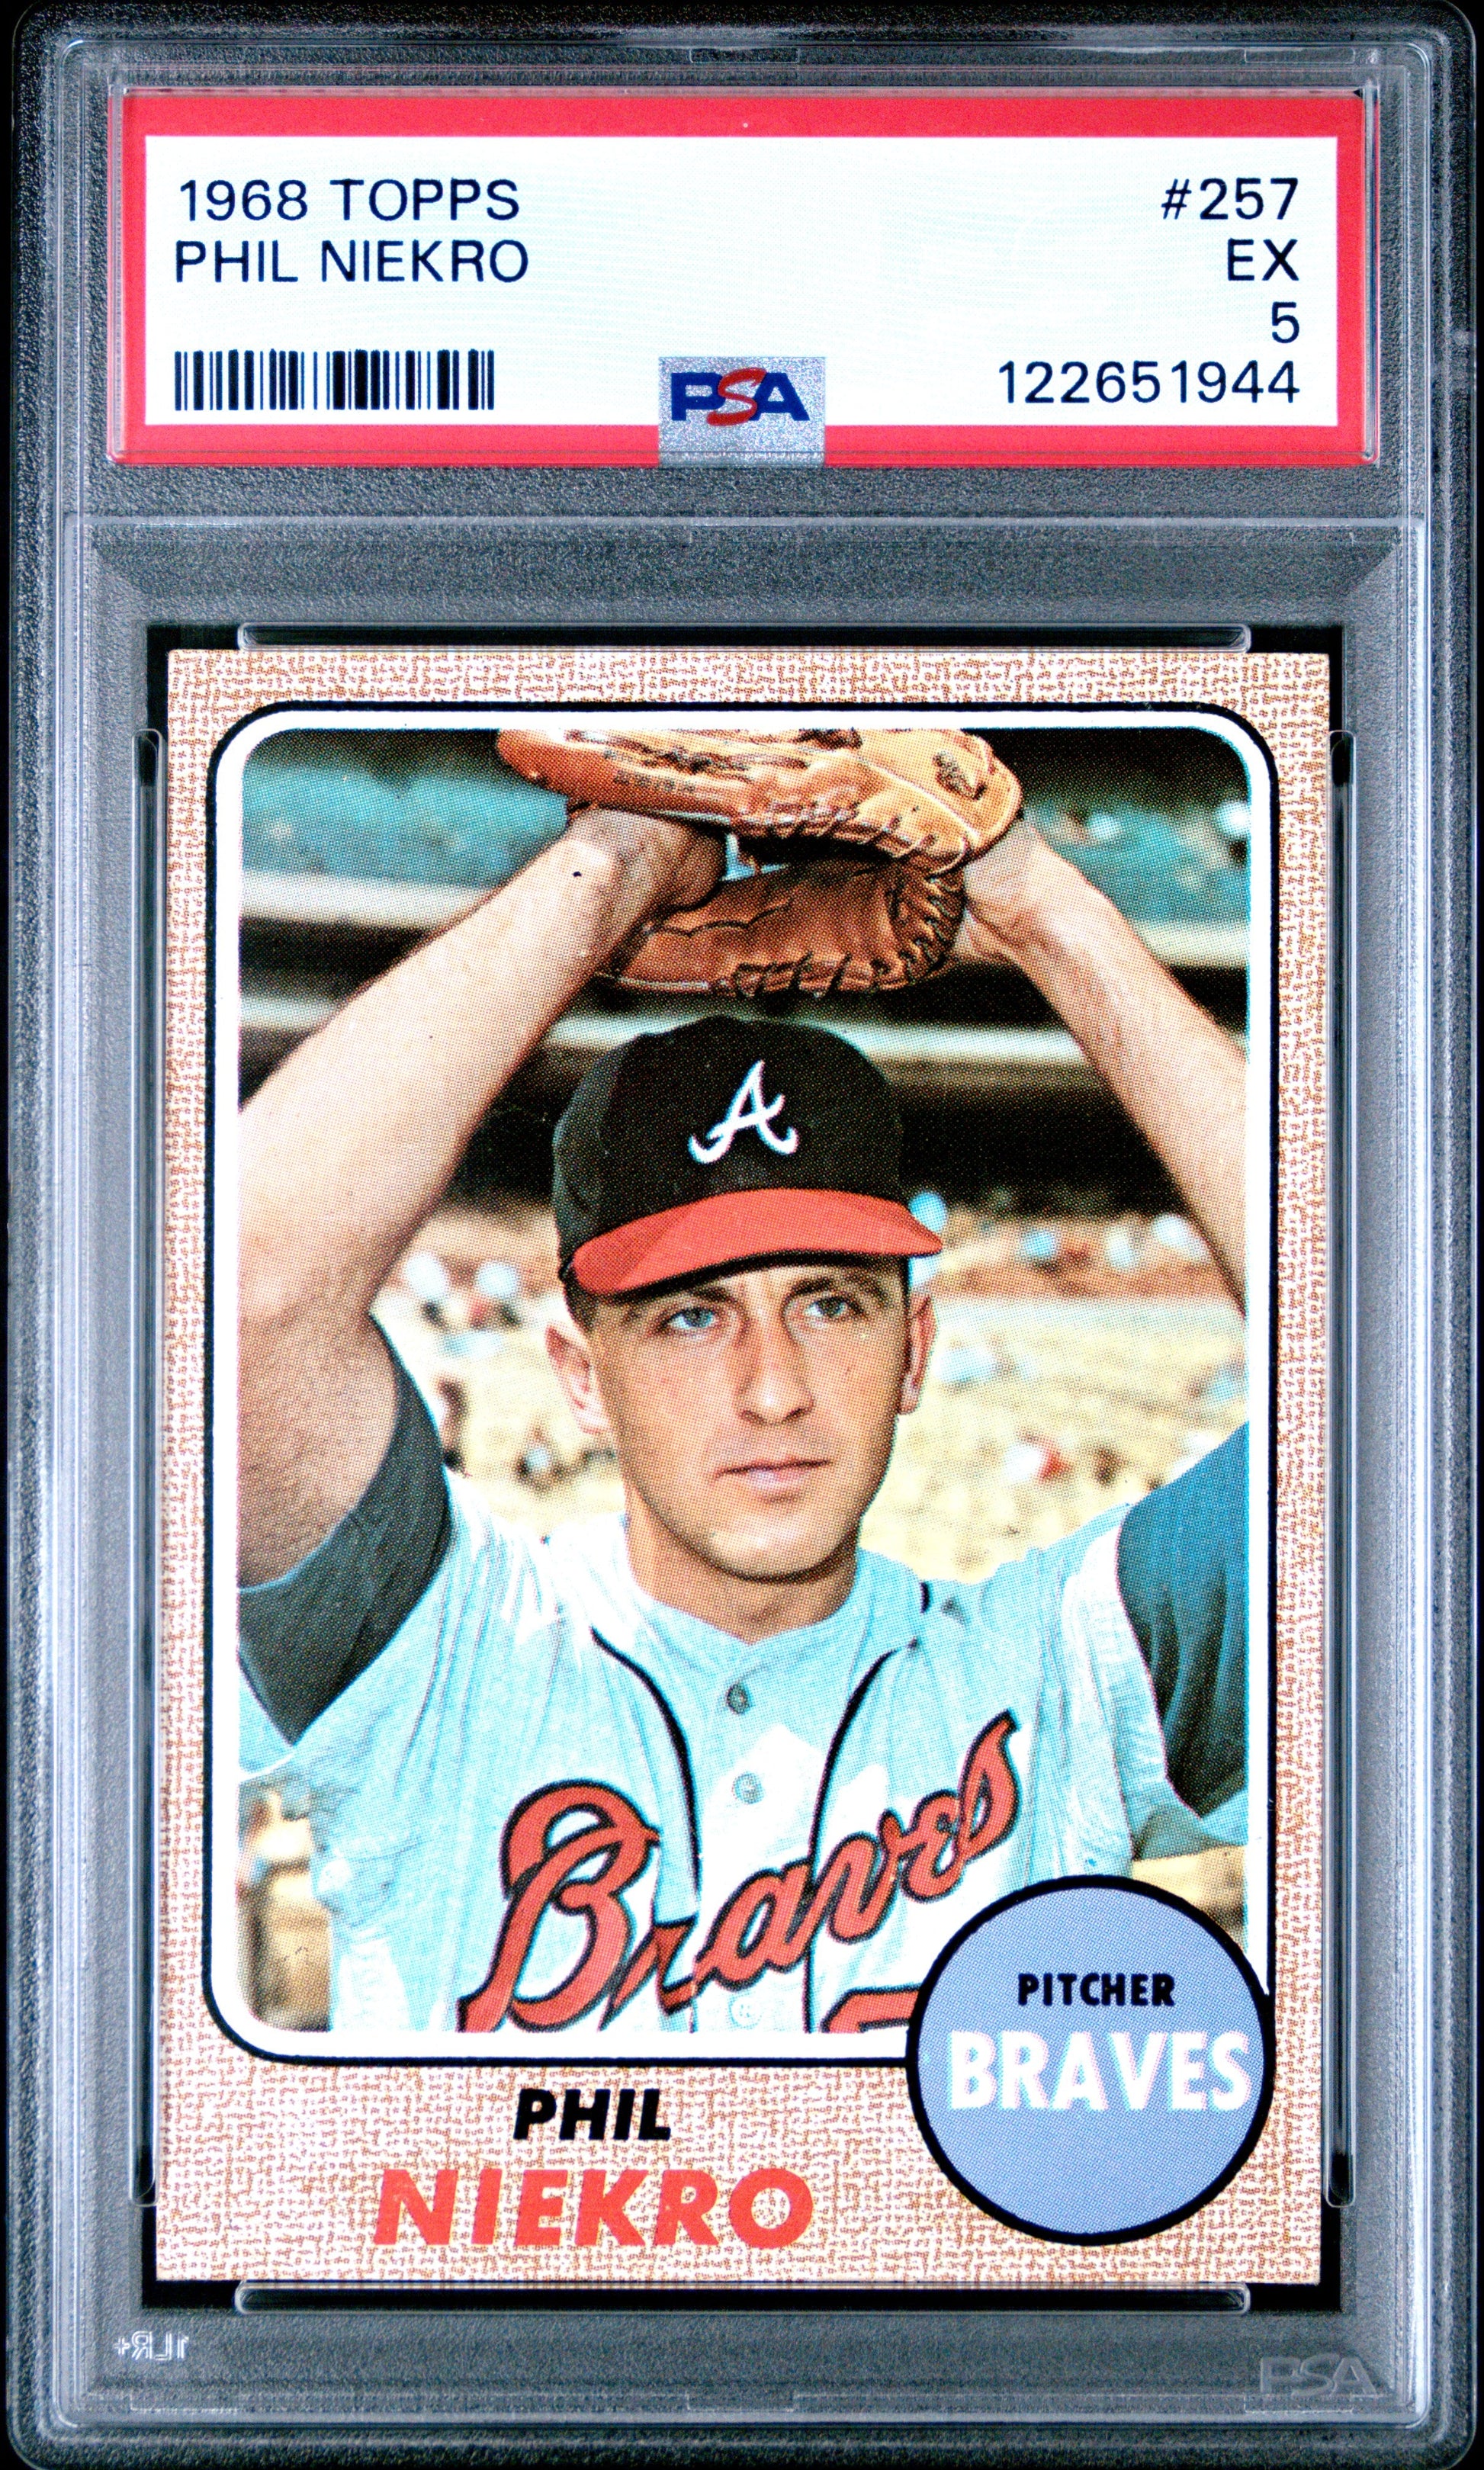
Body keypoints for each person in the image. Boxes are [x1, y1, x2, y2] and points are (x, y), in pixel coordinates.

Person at [236, 768, 1250, 2044]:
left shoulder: (1064, 1669)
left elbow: (1381, 1381)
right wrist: (617, 869)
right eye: (689, 1316)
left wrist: (1042, 909)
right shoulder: (435, 1653)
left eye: (828, 1304)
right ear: (580, 1375)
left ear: (915, 1351)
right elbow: (242, 1290)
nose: (773, 1390)